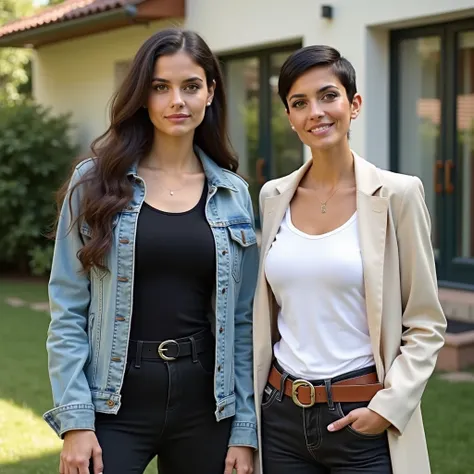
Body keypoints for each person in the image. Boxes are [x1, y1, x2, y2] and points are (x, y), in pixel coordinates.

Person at [44, 28, 258, 474]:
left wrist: (243, 427)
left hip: (206, 404)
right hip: (114, 403)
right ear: (143, 96)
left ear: (211, 93)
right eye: (161, 87)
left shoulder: (233, 194)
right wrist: (76, 422)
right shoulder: (94, 184)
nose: (177, 100)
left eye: (191, 86)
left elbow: (242, 320)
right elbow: (67, 308)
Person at [252, 45, 446, 474]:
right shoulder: (273, 197)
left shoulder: (398, 194)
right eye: (299, 103)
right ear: (289, 117)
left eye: (328, 96)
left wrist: (388, 407)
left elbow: (426, 322)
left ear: (353, 104)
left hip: (361, 417)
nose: (316, 112)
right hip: (281, 416)